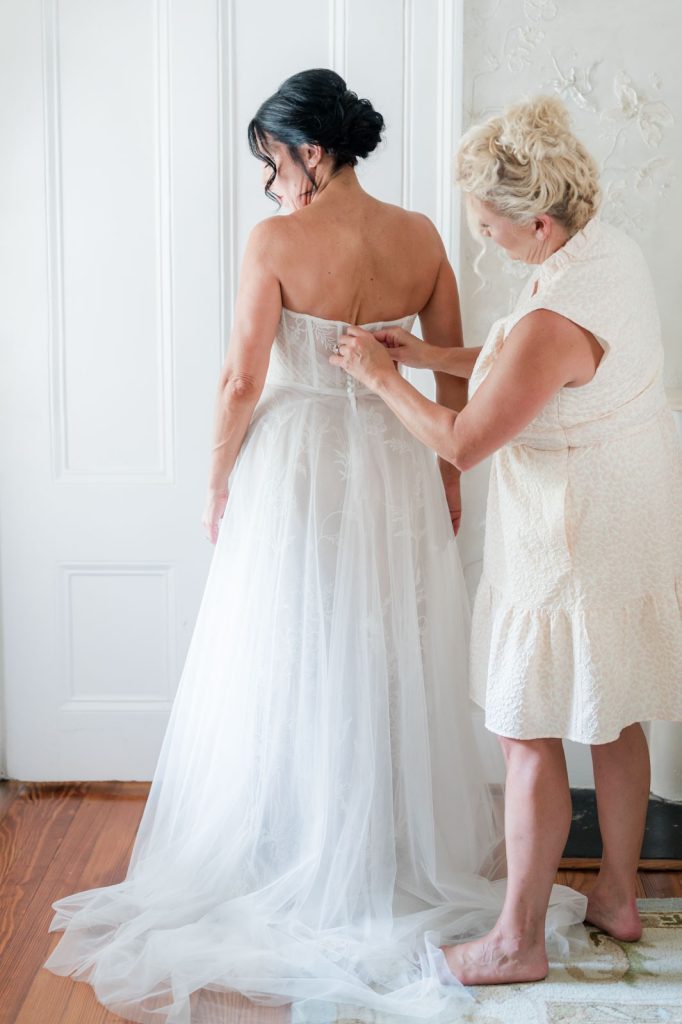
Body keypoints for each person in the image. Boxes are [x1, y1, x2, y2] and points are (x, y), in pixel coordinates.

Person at [42, 71, 585, 1023]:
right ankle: (377, 848)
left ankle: (293, 846)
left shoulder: (279, 242)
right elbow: (458, 371)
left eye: (274, 163)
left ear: (311, 152)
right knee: (385, 651)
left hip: (296, 471)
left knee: (290, 651)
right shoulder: (421, 236)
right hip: (395, 465)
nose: (274, 185)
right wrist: (448, 477)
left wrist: (216, 478)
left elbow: (239, 378)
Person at [332, 94, 682, 986]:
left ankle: (514, 942)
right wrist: (427, 356)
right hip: (631, 513)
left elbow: (463, 440)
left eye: (487, 227)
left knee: (527, 732)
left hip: (574, 530)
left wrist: (378, 377)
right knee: (613, 714)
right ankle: (615, 896)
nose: (480, 241)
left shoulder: (550, 321)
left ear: (536, 222)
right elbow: (520, 367)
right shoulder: (609, 252)